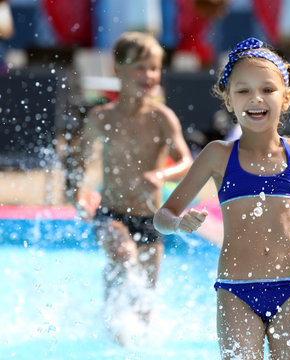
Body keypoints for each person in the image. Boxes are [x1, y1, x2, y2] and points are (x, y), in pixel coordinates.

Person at [153, 37, 290, 359]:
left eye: (267, 89)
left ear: (286, 97)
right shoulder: (218, 156)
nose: (256, 98)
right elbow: (163, 215)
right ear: (228, 100)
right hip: (236, 291)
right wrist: (178, 223)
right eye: (243, 90)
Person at [66, 32, 193, 335]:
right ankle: (110, 330)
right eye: (139, 66)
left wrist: (160, 175)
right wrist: (76, 195)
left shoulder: (163, 118)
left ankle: (117, 337)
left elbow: (187, 162)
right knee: (124, 257)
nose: (148, 75)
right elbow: (79, 160)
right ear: (117, 69)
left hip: (151, 219)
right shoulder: (102, 118)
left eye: (153, 67)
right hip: (111, 213)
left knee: (144, 307)